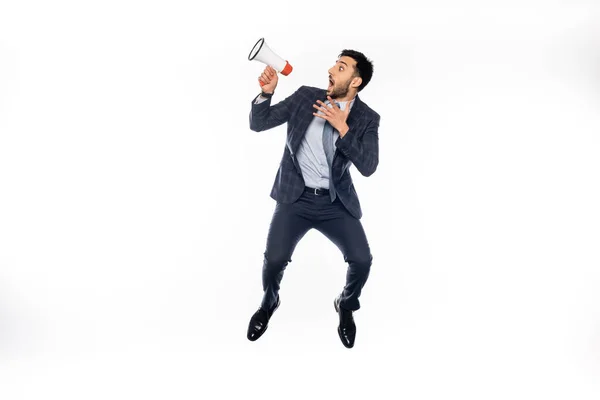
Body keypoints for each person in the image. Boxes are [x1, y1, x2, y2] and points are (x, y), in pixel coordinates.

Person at [247, 49, 380, 348]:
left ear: (356, 81)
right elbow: (259, 123)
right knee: (274, 260)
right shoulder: (307, 96)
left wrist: (343, 127)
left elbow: (369, 167)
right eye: (335, 62)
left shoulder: (367, 118)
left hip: (335, 203)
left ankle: (346, 304)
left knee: (362, 260)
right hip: (294, 198)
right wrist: (265, 95)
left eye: (341, 67)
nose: (332, 69)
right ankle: (269, 302)